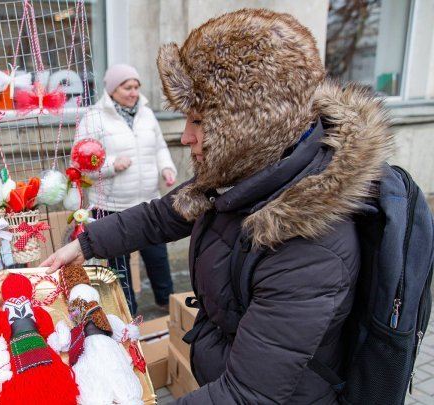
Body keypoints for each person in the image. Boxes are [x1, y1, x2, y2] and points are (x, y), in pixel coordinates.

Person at [43, 9, 394, 404]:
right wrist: (85, 244)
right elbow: (164, 215)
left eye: (199, 120)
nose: (186, 136)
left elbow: (247, 395)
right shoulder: (248, 172)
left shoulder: (311, 247)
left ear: (248, 126)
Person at [76, 63, 178, 314]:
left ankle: (169, 306)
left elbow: (159, 147)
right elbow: (80, 161)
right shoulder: (93, 118)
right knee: (119, 265)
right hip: (112, 206)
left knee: (158, 258)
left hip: (148, 202)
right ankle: (128, 313)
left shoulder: (146, 112)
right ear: (112, 90)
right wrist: (111, 165)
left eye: (136, 86)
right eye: (126, 87)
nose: (133, 92)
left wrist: (167, 167)